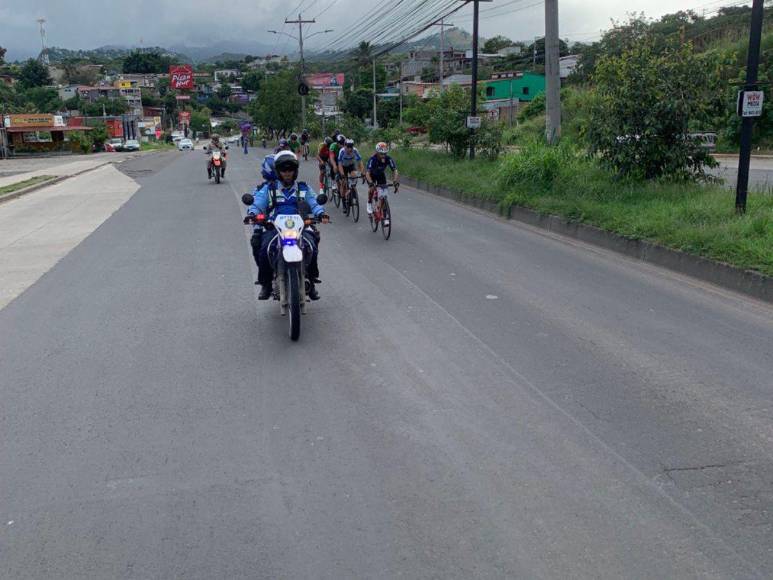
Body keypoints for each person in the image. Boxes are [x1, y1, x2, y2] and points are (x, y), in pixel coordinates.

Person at [245, 151, 329, 301]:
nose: (287, 173)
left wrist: (320, 213)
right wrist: (252, 213)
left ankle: (311, 281)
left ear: (295, 171)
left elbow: (314, 202)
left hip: (301, 227)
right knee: (263, 250)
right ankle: (266, 284)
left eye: (290, 169)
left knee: (312, 247)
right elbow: (258, 203)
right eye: (284, 170)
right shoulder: (269, 189)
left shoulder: (303, 188)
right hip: (275, 228)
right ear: (278, 172)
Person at [365, 142, 399, 215]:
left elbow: (395, 171)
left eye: (385, 153)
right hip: (371, 175)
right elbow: (367, 173)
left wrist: (395, 181)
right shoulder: (372, 159)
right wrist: (371, 183)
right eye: (381, 154)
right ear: (377, 152)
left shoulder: (388, 158)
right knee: (371, 188)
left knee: (384, 194)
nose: (383, 156)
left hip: (380, 175)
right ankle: (369, 203)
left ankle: (383, 214)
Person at [337, 138, 365, 203]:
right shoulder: (342, 151)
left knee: (354, 176)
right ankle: (343, 199)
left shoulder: (355, 150)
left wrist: (363, 172)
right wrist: (342, 174)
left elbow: (360, 162)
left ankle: (352, 189)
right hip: (343, 167)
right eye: (348, 147)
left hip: (351, 165)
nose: (350, 149)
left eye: (351, 147)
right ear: (345, 146)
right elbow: (339, 164)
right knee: (343, 183)